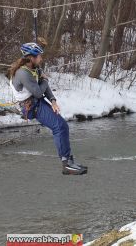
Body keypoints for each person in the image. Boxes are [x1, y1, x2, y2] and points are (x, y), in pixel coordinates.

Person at [9, 42, 88, 175]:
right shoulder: (23, 73)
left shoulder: (35, 68)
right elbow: (39, 91)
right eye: (39, 56)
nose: (41, 59)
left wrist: (53, 101)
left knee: (63, 126)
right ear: (30, 58)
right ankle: (66, 165)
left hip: (37, 101)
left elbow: (43, 87)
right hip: (31, 107)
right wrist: (45, 80)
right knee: (59, 127)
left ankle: (69, 161)